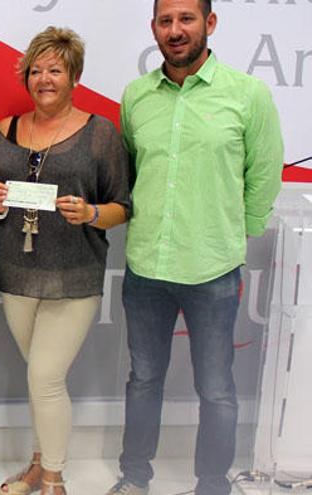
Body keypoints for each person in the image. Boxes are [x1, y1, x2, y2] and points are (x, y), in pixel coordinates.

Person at [105, 1, 283, 494]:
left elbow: (265, 174)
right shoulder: (136, 97)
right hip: (147, 268)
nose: (175, 30)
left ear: (210, 23)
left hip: (213, 270)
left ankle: (211, 484)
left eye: (186, 19)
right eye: (166, 21)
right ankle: (134, 477)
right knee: (143, 380)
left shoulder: (248, 95)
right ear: (154, 29)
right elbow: (133, 173)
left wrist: (233, 232)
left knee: (218, 389)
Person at [0, 27, 131, 495]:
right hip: (16, 274)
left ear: (75, 78)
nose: (44, 78)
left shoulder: (100, 133)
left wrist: (90, 213)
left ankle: (52, 480)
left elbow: (122, 206)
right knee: (38, 378)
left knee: (45, 378)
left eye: (55, 70)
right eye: (37, 69)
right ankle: (37, 462)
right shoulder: (4, 129)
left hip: (74, 276)